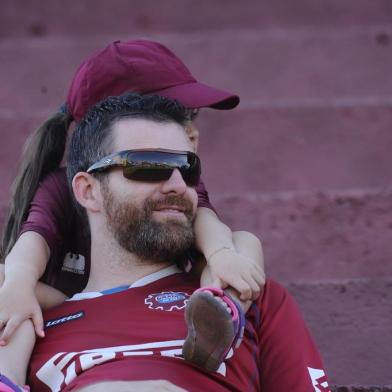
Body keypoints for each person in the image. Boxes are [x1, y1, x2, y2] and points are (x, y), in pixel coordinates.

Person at [1, 93, 330, 392]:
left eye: (187, 169)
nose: (177, 184)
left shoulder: (243, 295)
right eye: (147, 166)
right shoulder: (29, 319)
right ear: (89, 191)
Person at [0, 40, 264, 374]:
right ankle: (7, 376)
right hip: (72, 308)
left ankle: (221, 313)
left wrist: (223, 256)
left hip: (159, 294)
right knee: (6, 281)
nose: (192, 130)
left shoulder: (176, 177)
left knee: (243, 242)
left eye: (189, 117)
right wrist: (18, 285)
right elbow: (29, 246)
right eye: (179, 114)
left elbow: (207, 223)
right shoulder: (63, 184)